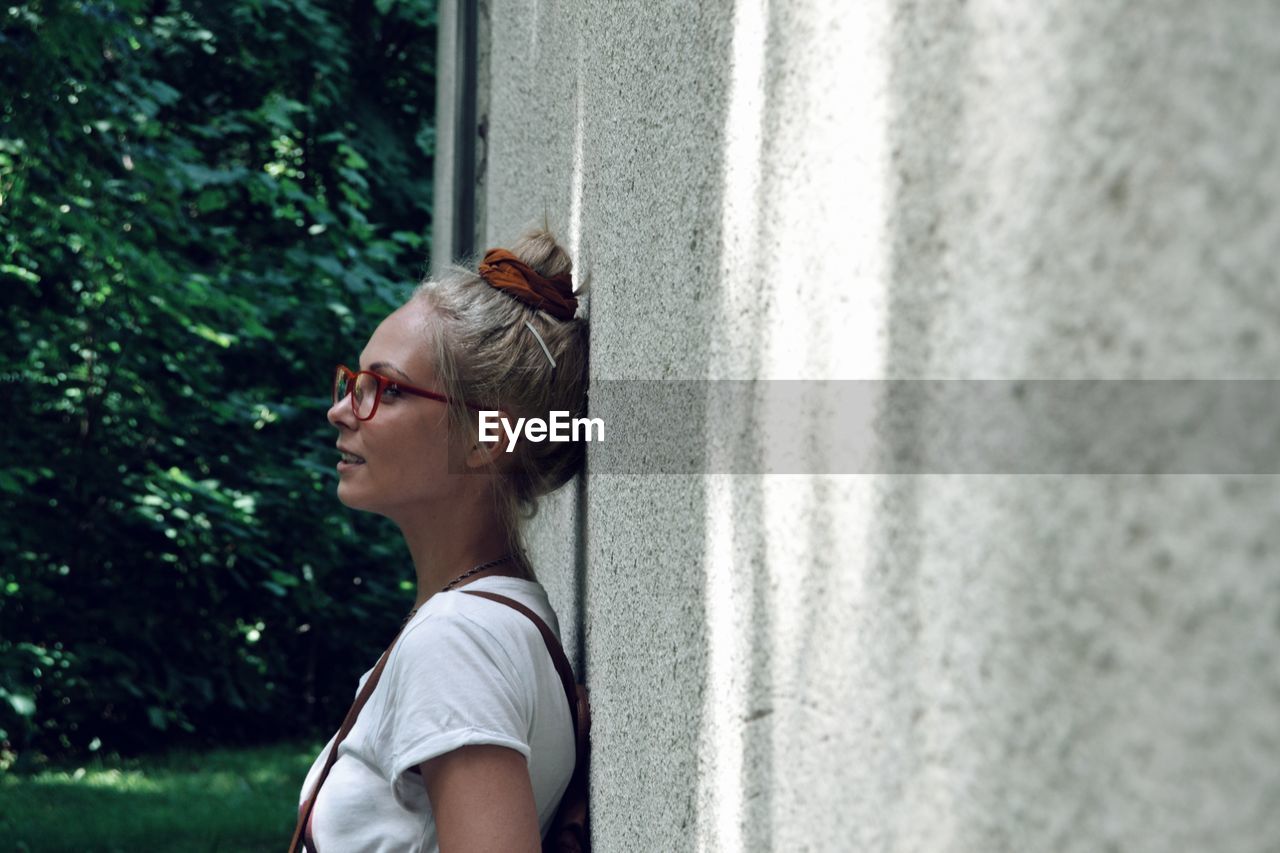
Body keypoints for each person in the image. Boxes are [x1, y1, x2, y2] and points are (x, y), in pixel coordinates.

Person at [294, 227, 589, 852]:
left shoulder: (458, 641)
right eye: (353, 382)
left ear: (487, 437)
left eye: (389, 389)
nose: (343, 410)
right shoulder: (489, 620)